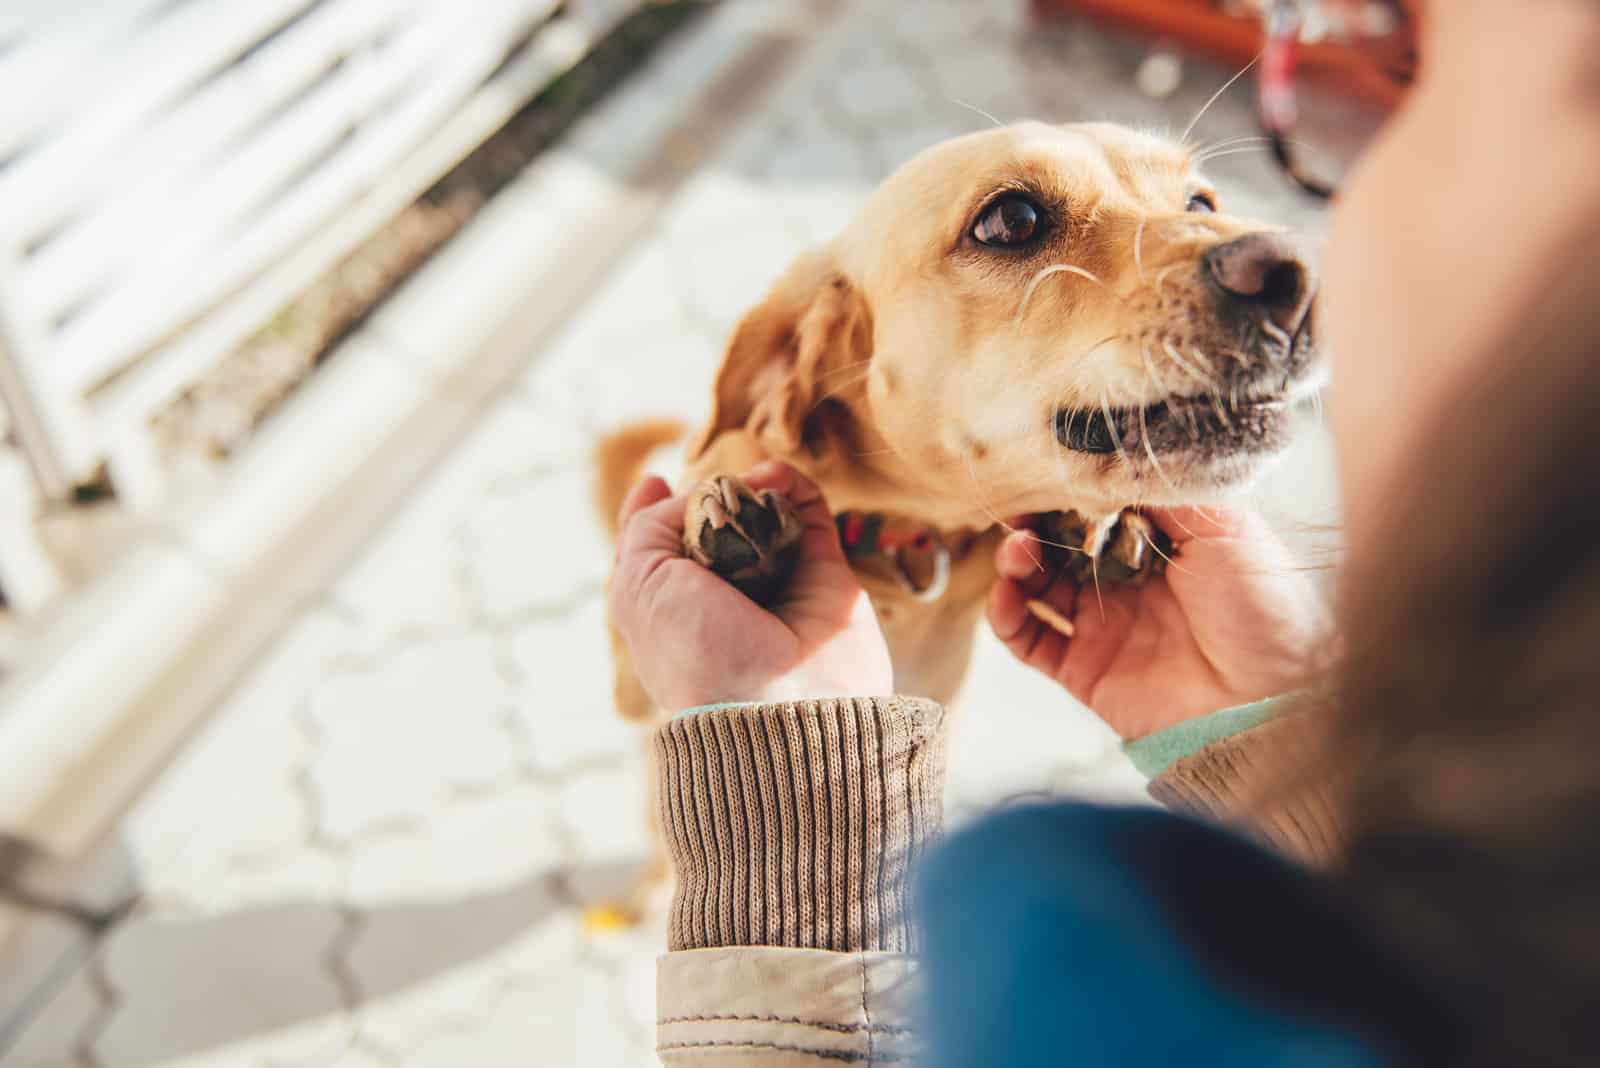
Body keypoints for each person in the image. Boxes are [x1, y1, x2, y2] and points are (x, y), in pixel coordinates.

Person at [612, 2, 1600, 1064]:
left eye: (1196, 198)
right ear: (808, 360)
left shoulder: (1063, 967)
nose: (1258, 256)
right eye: (1016, 226)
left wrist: (782, 863)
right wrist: (1261, 728)